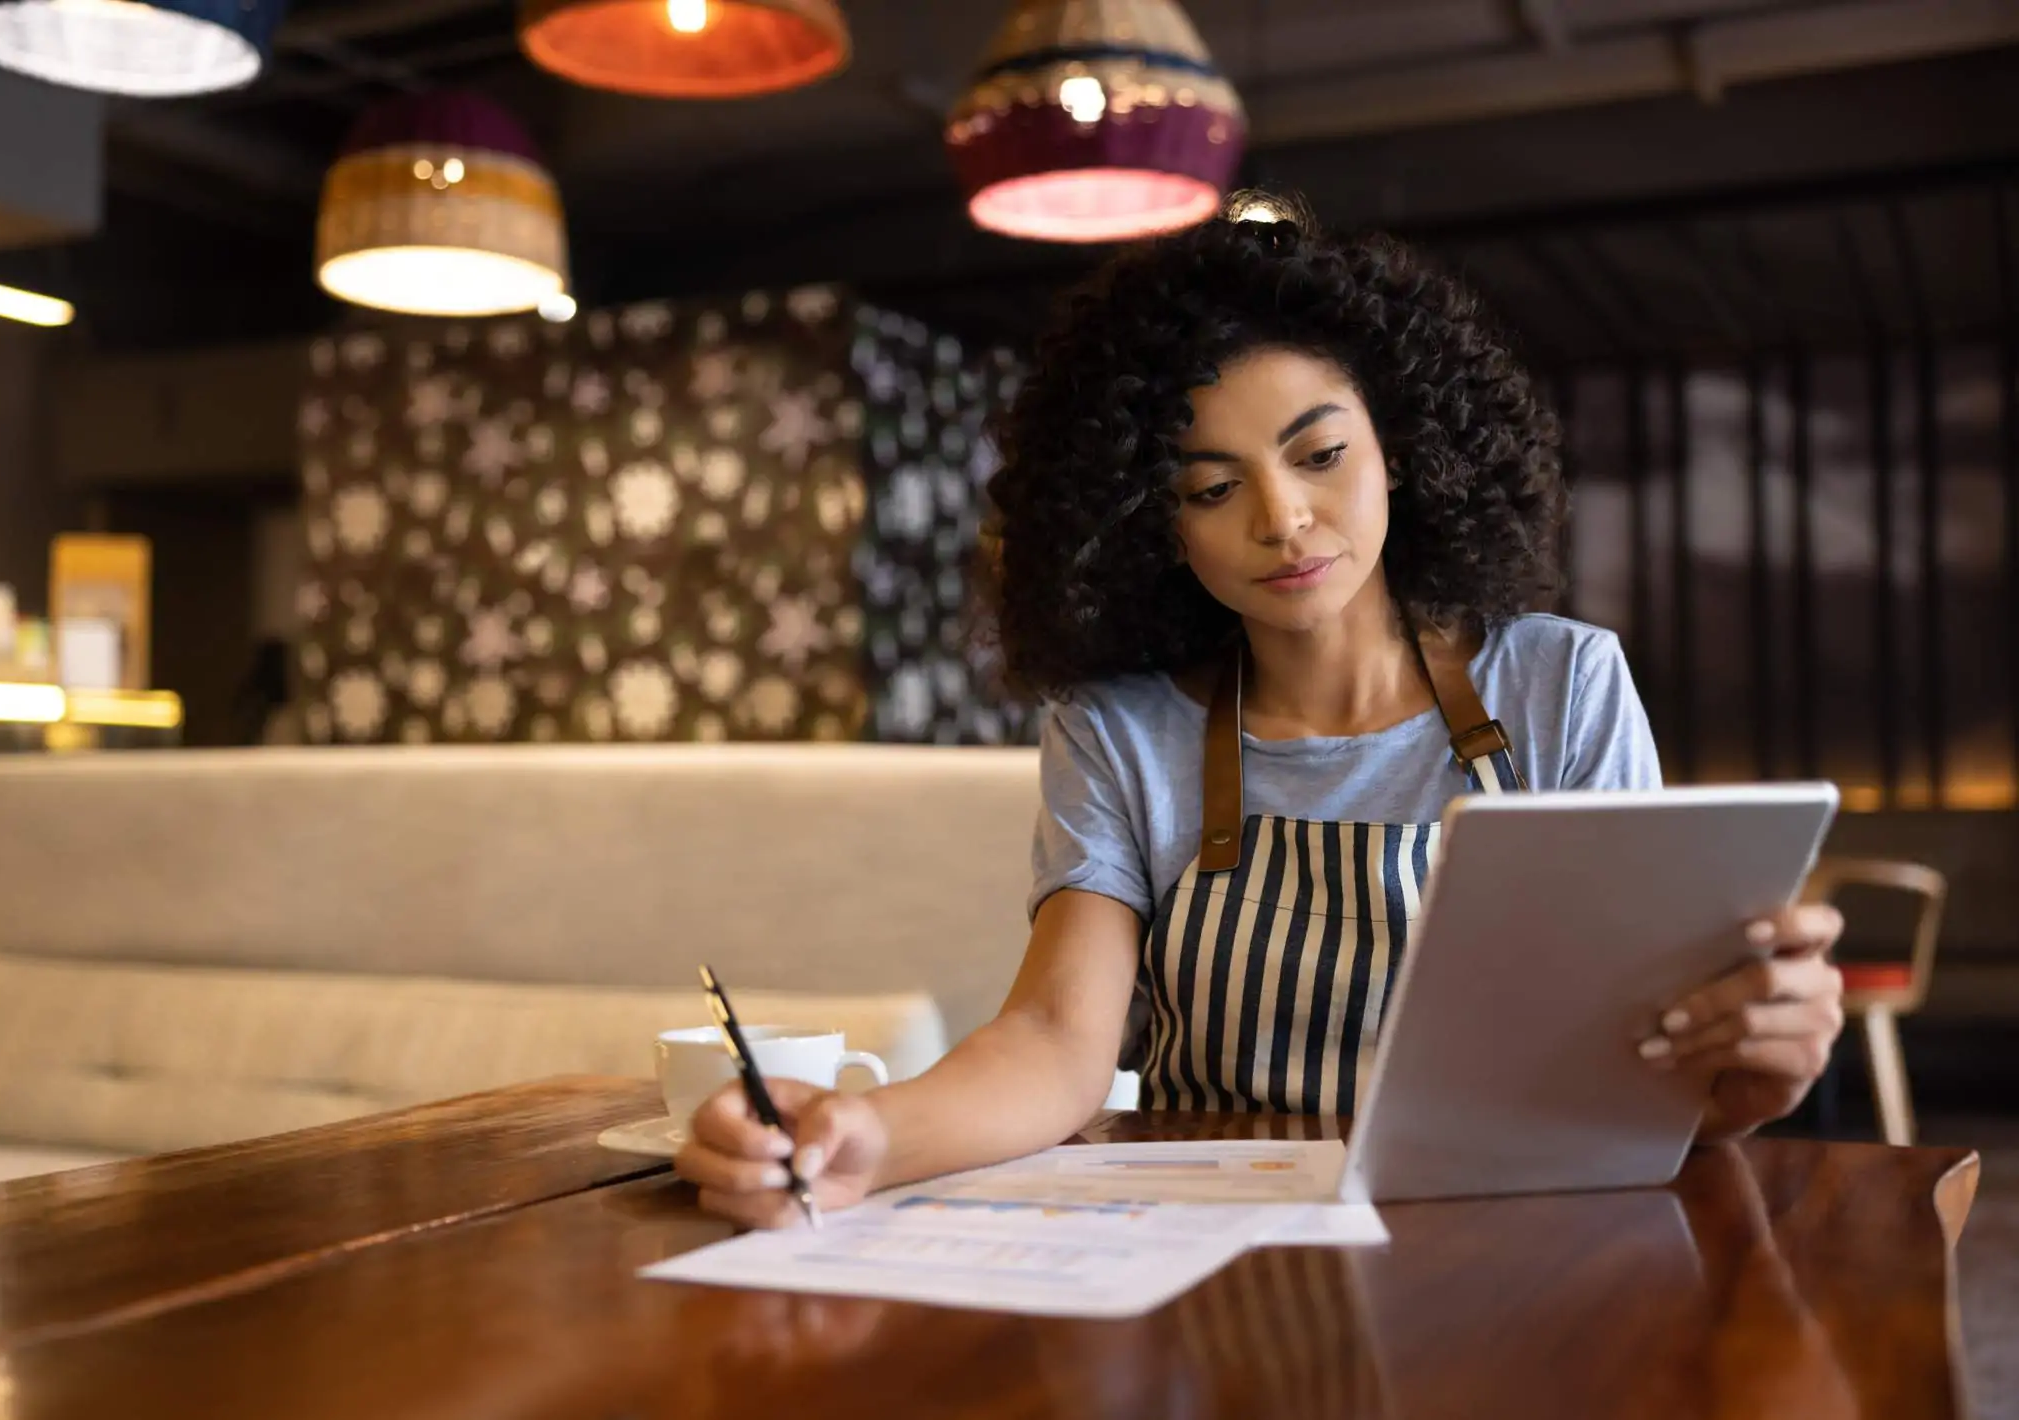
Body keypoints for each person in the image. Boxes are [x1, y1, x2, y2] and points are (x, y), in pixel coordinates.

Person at [676, 194, 1846, 1228]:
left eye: (1320, 453)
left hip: (1504, 1227)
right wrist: (867, 1138)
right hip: (1206, 1242)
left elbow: (1626, 1055)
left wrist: (1747, 1077)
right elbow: (1053, 1043)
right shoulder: (1118, 730)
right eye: (1212, 487)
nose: (1281, 519)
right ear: (1156, 527)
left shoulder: (1560, 685)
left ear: (1402, 452)